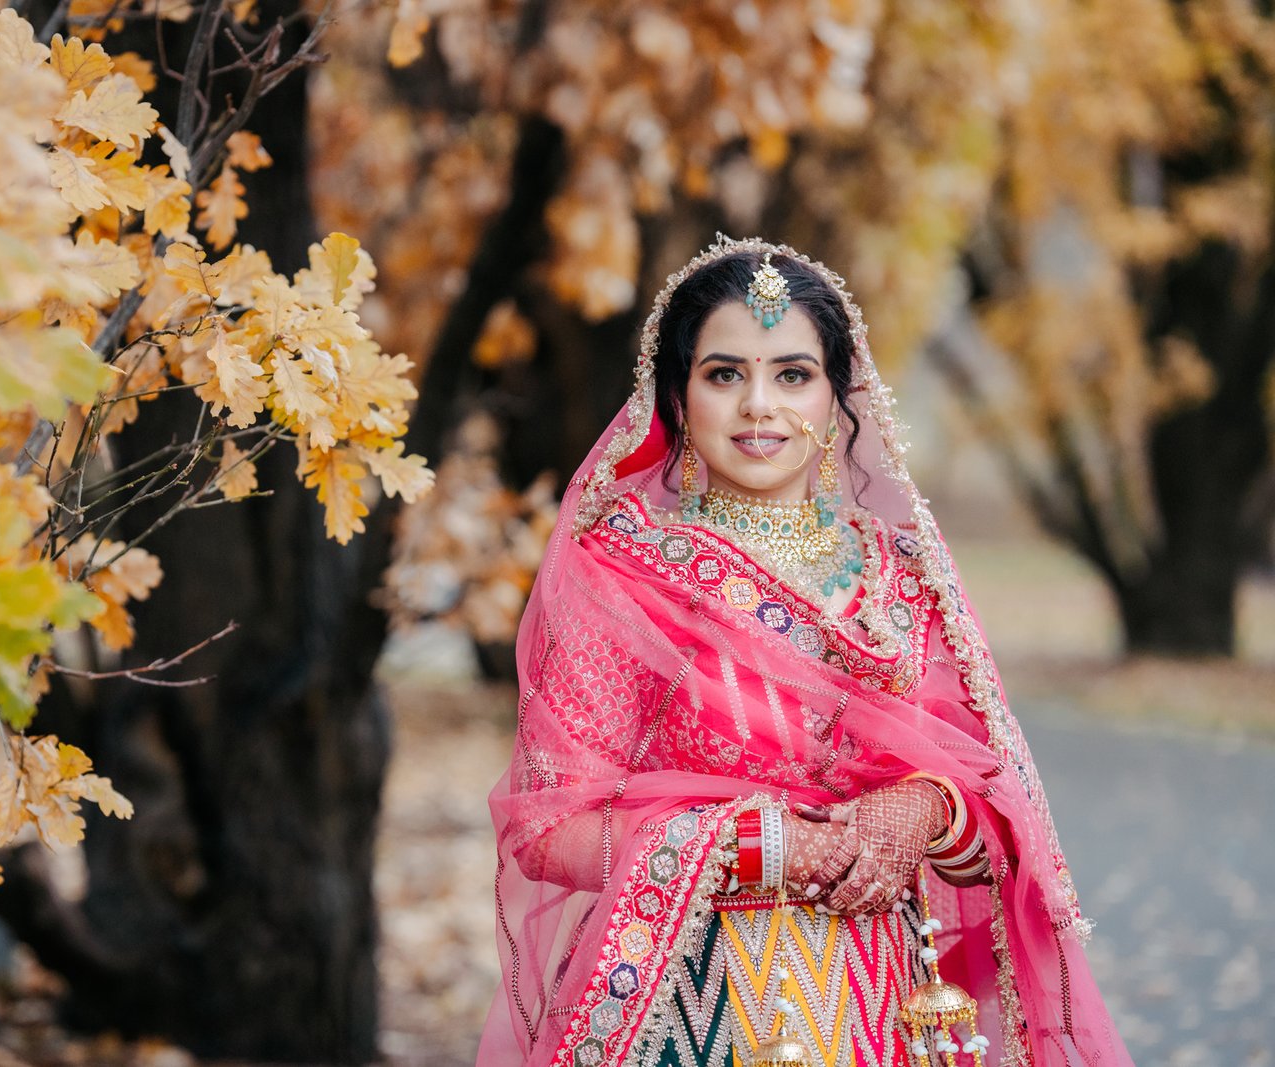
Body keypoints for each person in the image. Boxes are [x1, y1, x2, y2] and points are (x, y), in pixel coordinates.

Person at [478, 237, 1132, 1067]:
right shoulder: (623, 571)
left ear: (836, 396)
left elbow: (999, 822)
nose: (760, 404)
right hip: (684, 1006)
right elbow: (550, 828)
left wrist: (921, 809)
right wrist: (755, 844)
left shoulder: (900, 574)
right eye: (724, 374)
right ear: (676, 396)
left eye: (793, 374)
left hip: (885, 1012)